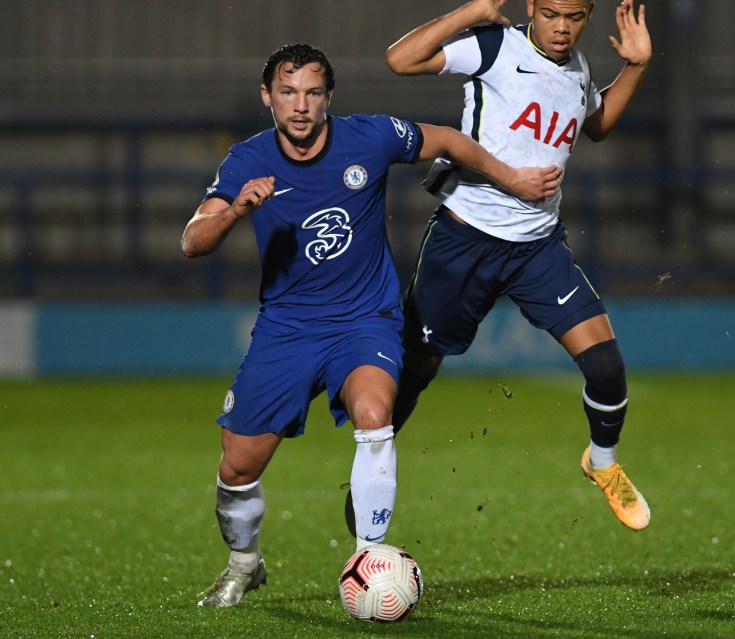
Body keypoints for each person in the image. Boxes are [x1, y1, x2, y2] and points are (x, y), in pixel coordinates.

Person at [182, 43, 559, 608]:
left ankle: (370, 558)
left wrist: (513, 179)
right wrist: (236, 210)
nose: (300, 106)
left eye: (312, 93)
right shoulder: (246, 160)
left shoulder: (371, 137)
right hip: (287, 329)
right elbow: (192, 241)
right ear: (268, 97)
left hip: (365, 320)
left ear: (329, 97)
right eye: (288, 93)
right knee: (238, 467)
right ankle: (244, 562)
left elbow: (451, 140)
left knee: (376, 414)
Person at [357, 0, 654, 532]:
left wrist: (635, 66)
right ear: (531, 7)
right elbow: (401, 59)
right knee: (416, 370)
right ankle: (371, 474)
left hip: (537, 248)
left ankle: (602, 463)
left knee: (607, 366)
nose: (563, 27)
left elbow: (599, 125)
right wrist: (472, 10)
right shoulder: (495, 47)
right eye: (553, 13)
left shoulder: (579, 67)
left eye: (577, 16)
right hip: (464, 239)